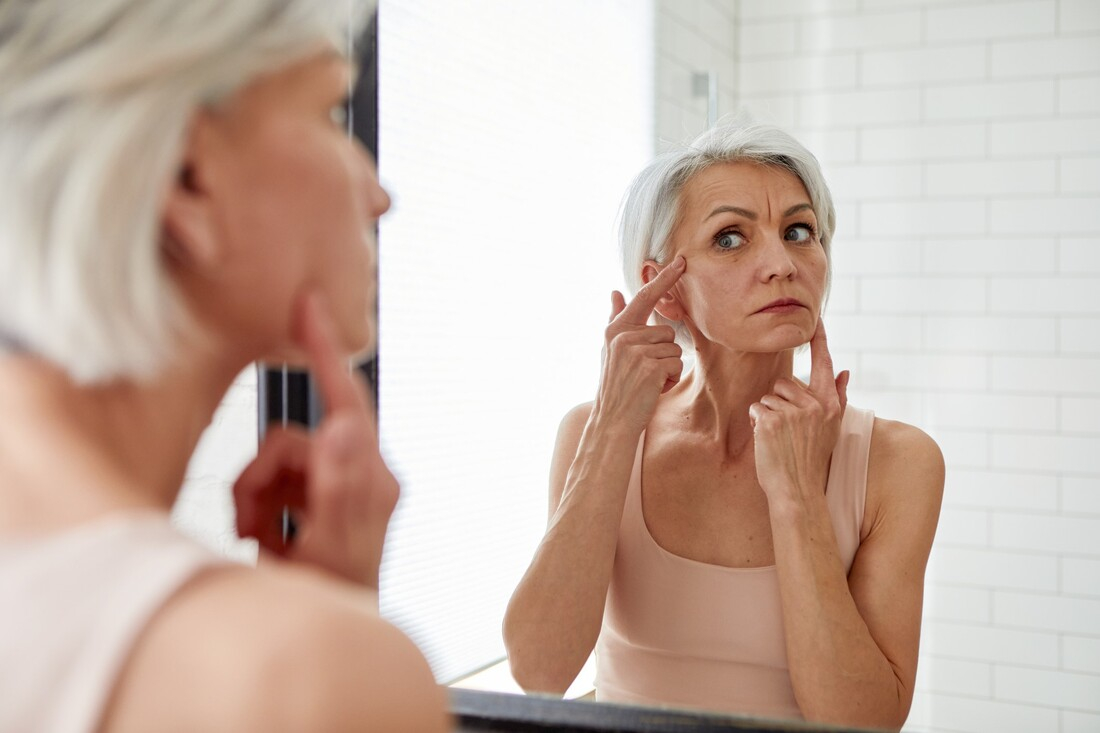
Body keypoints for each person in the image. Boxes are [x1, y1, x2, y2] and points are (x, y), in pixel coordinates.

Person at [0, 1, 449, 731]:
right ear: (187, 177)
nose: (379, 194)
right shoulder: (296, 678)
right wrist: (333, 639)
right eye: (333, 110)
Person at [503, 121, 944, 731]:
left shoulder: (898, 461)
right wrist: (611, 427)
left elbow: (864, 724)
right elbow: (539, 671)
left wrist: (797, 499)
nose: (782, 264)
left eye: (799, 231)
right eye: (731, 238)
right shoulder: (592, 433)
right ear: (667, 291)